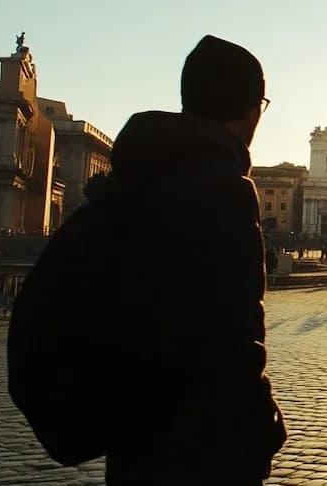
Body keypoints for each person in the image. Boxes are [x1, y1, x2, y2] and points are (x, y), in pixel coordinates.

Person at [101, 35, 285, 483]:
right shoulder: (224, 191)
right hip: (203, 442)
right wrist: (264, 431)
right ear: (251, 110)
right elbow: (233, 334)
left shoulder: (132, 181)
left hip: (133, 436)